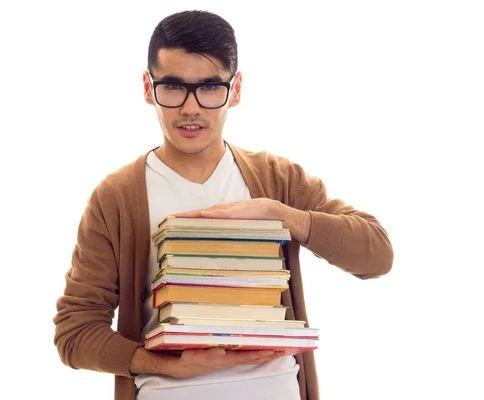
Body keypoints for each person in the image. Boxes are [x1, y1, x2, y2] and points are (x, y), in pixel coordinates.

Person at [53, 9, 393, 400]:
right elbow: (74, 332)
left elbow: (378, 256)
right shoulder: (116, 197)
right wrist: (162, 363)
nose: (191, 107)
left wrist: (284, 217)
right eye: (173, 86)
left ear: (236, 89)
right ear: (148, 88)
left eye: (211, 87)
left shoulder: (277, 179)